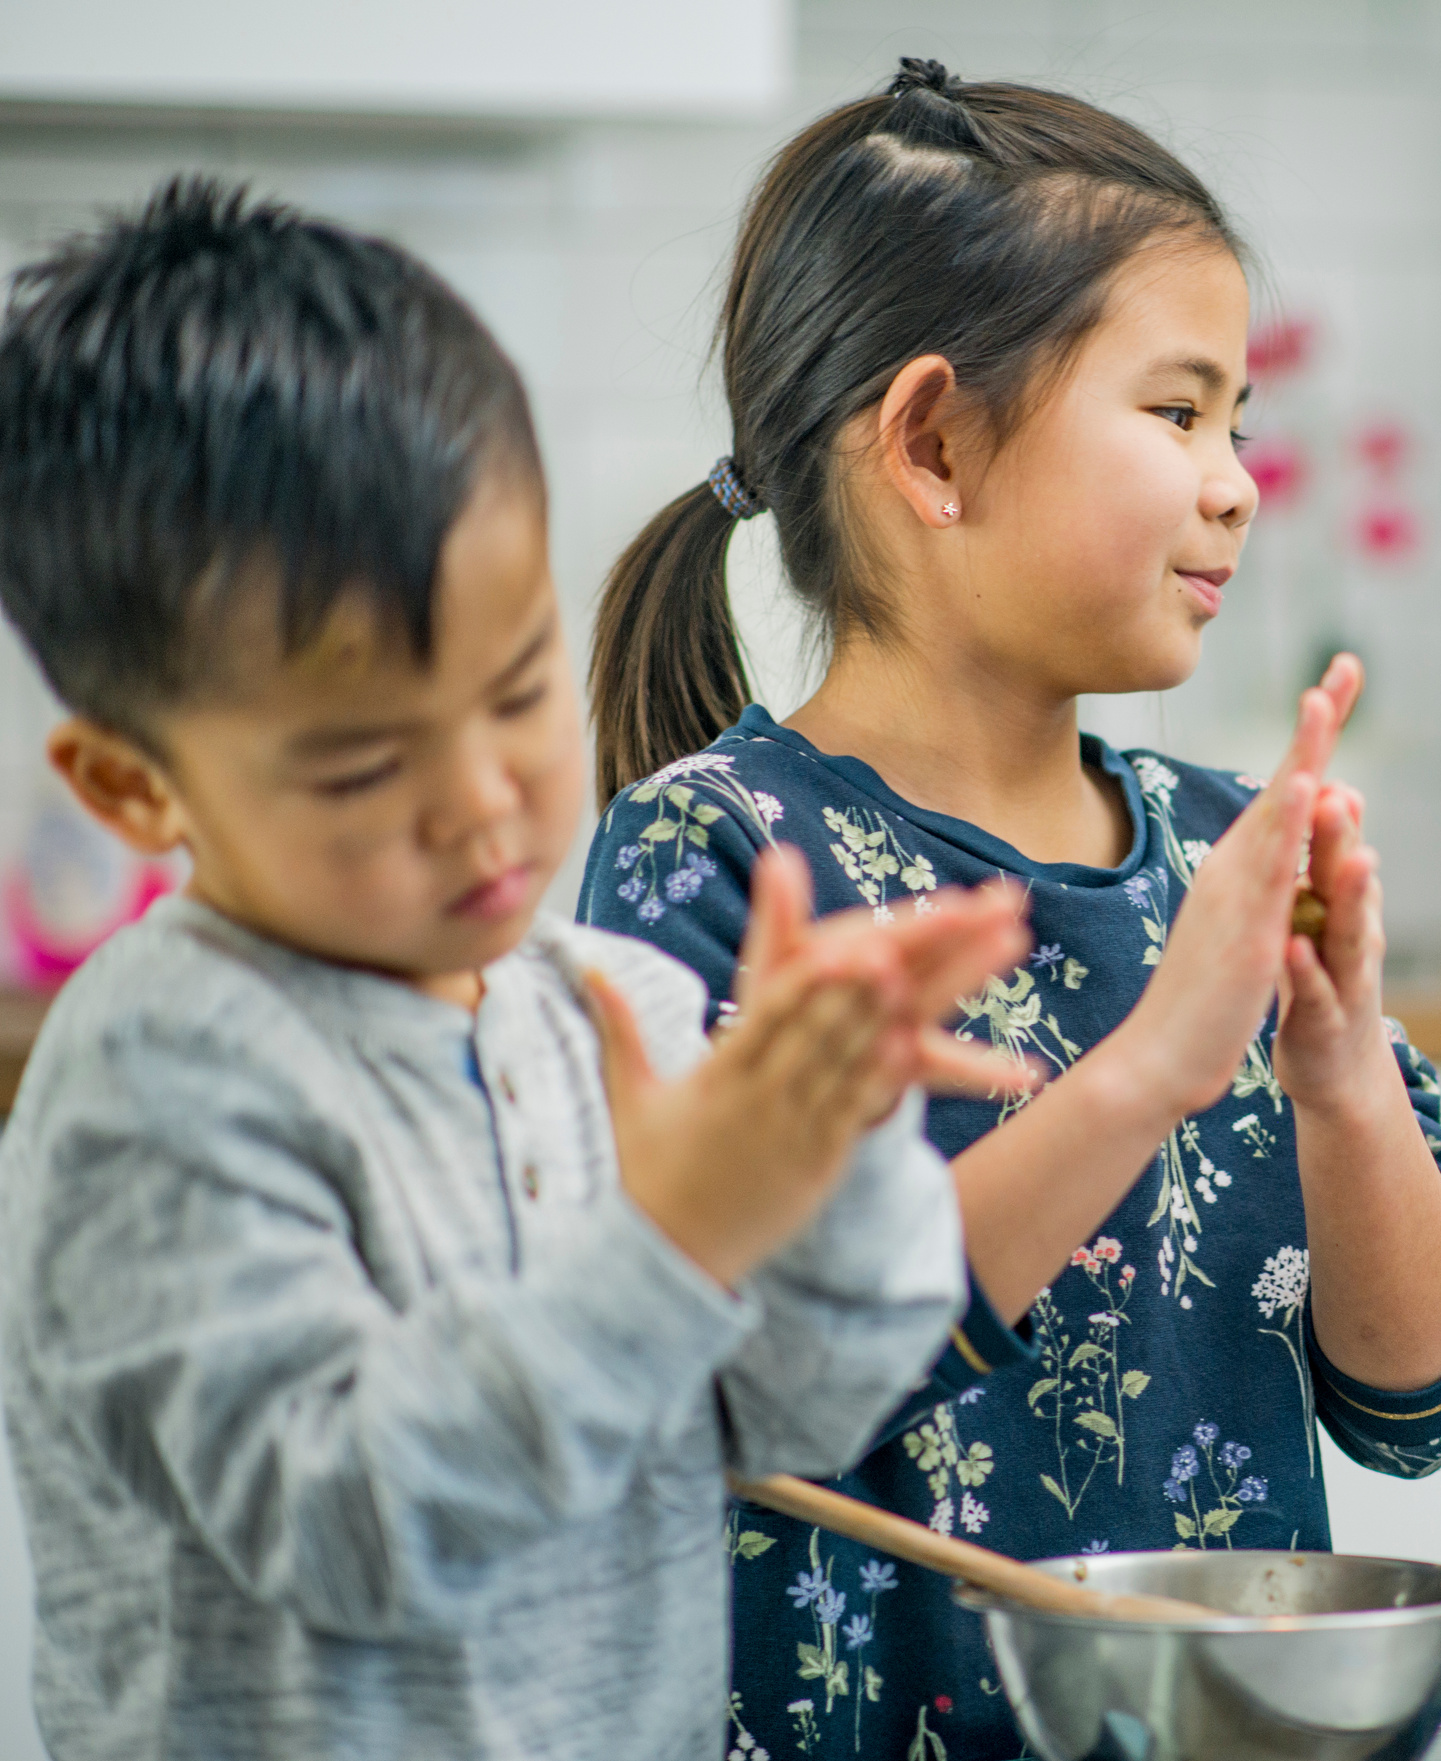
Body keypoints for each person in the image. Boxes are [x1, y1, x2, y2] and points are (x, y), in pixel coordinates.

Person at [0, 179, 1031, 1761]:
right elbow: (360, 1523)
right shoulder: (159, 1072)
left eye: (517, 688)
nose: (480, 797)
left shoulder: (598, 1007)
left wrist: (836, 1154)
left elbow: (795, 1408)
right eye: (359, 767)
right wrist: (674, 1233)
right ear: (137, 787)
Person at [580, 58, 1441, 1761]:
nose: (1236, 481)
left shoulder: (1224, 856)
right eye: (1176, 415)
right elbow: (765, 1372)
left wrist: (1342, 1074)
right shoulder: (712, 858)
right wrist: (1155, 1058)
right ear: (934, 442)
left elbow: (1422, 1396)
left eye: (1239, 422)